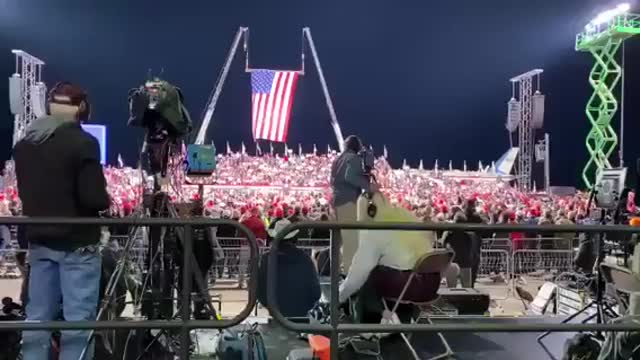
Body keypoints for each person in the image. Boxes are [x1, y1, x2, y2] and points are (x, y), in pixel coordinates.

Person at [13, 82, 110, 360]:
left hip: (40, 241)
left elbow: (25, 193)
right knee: (77, 321)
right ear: (81, 108)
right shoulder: (84, 143)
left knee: (37, 319)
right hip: (77, 243)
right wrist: (107, 200)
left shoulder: (26, 143)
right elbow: (94, 199)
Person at [330, 135, 379, 273]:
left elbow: (332, 180)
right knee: (351, 240)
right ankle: (347, 275)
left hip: (335, 201)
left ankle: (335, 272)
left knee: (338, 241)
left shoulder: (337, 159)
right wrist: (369, 186)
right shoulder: (354, 158)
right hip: (348, 202)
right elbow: (350, 177)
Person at [257, 219, 321, 319]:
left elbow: (259, 289)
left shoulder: (266, 259)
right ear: (294, 238)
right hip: (301, 314)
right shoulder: (305, 258)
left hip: (275, 314)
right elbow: (316, 292)